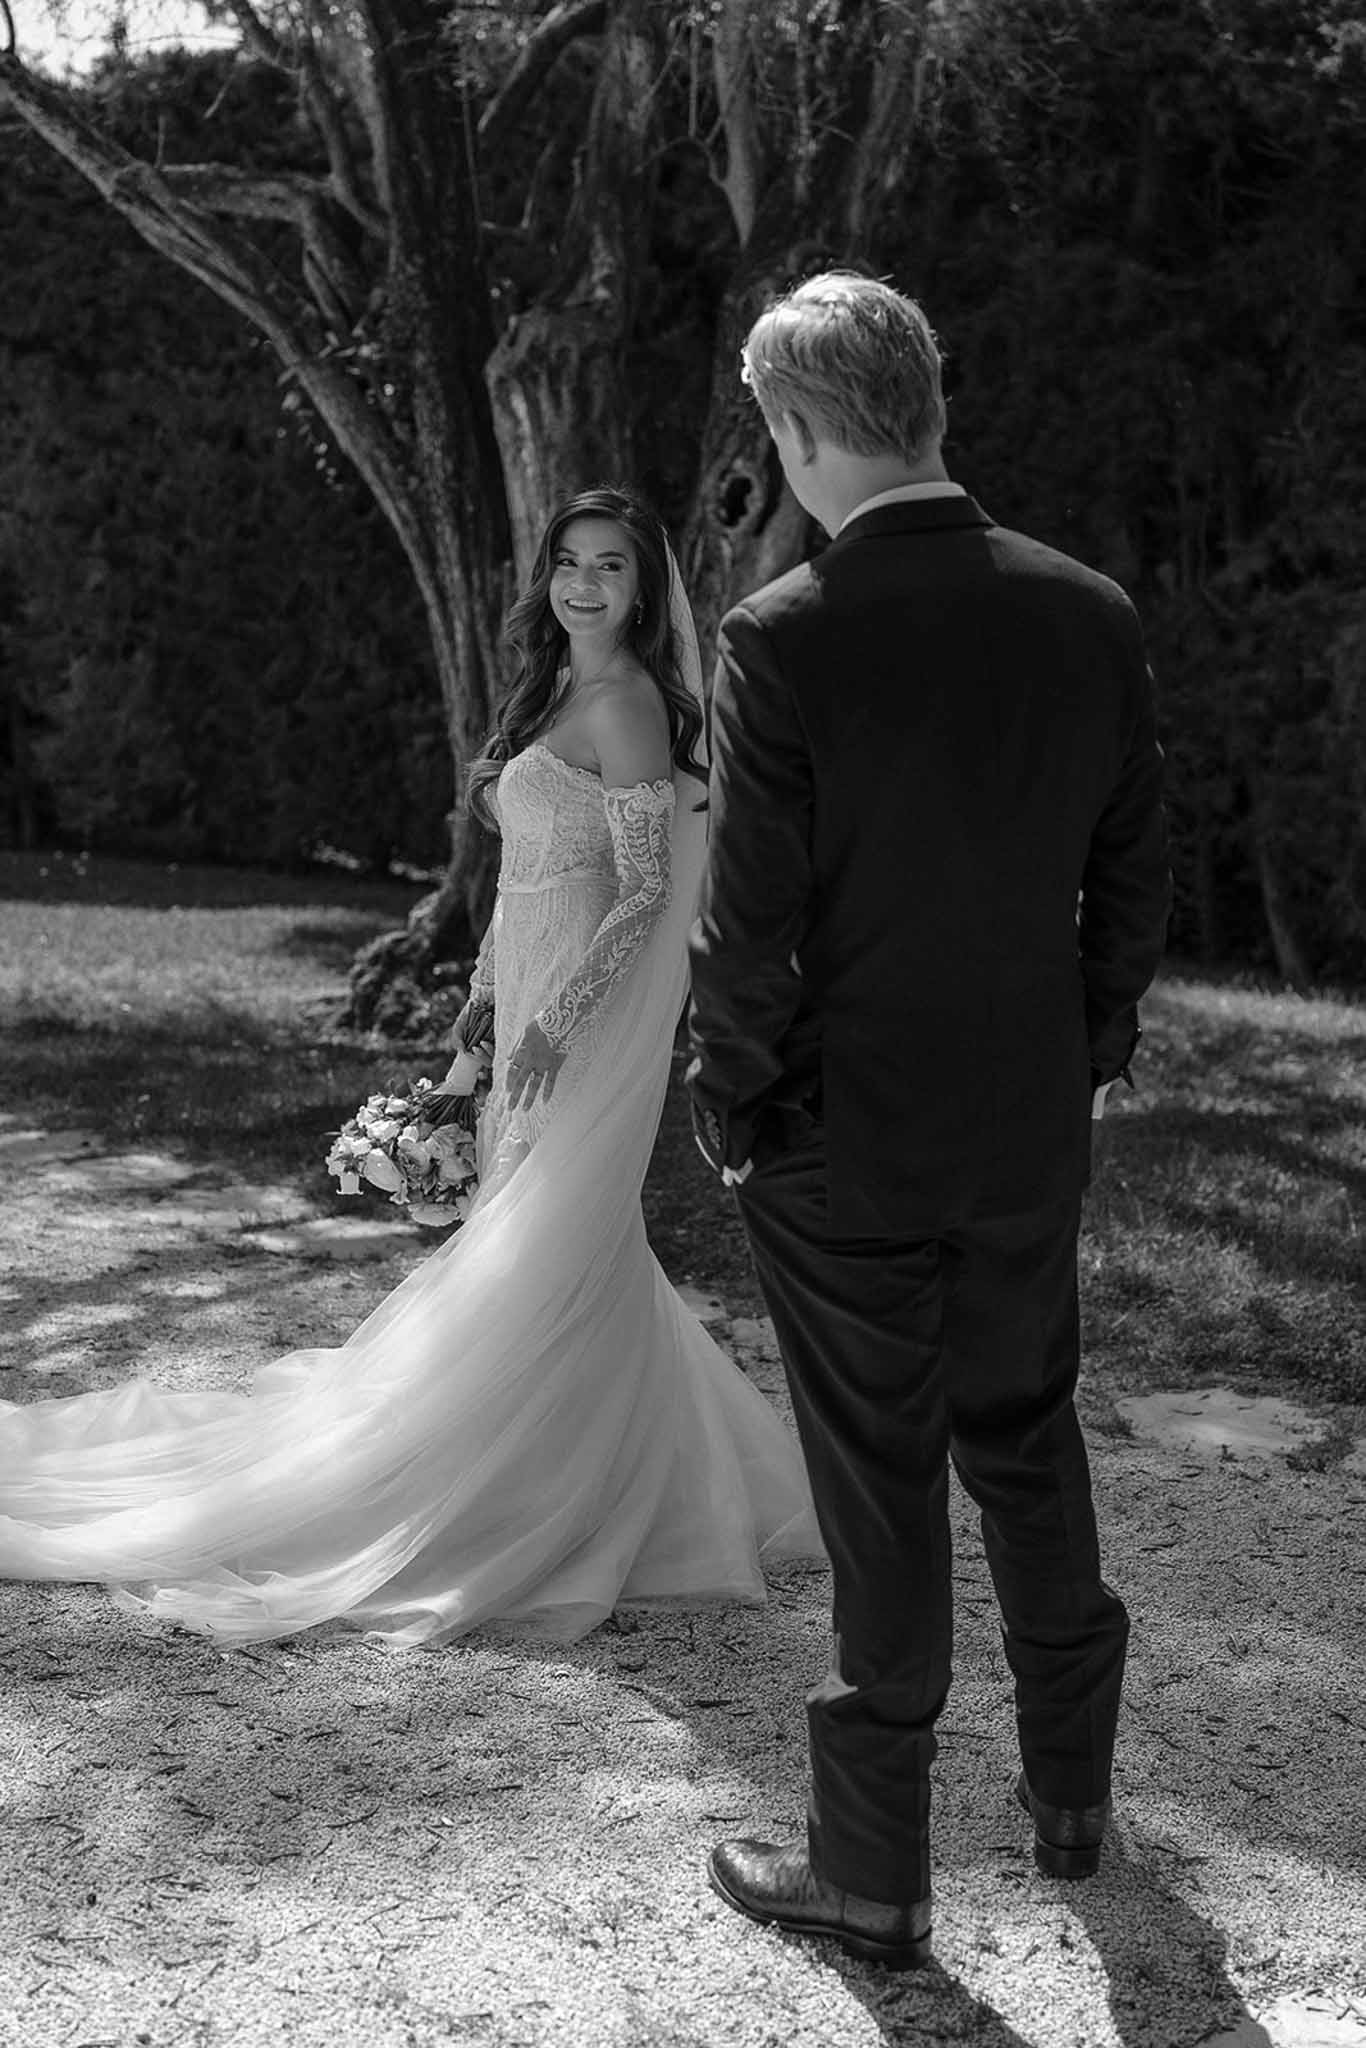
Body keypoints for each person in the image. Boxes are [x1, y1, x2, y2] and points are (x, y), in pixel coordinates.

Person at [0, 487, 821, 1645]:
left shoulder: (630, 703)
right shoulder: (554, 690)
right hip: (525, 1000)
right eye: (571, 562)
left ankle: (543, 1488)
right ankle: (579, 1467)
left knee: (555, 1240)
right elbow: (528, 880)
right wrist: (478, 1023)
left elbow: (641, 892)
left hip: (577, 1031)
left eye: (611, 569)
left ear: (643, 593)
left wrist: (555, 1024)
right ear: (548, 576)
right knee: (546, 1243)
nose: (585, 584)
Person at [687, 274, 1171, 1970]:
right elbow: (1131, 879)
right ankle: (1069, 1804)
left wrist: (736, 1112)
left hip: (843, 1136)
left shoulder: (783, 632)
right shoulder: (1087, 609)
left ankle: (873, 1872)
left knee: (882, 1480)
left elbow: (744, 931)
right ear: (931, 408)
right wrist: (1086, 1052)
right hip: (1024, 1122)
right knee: (1024, 1436)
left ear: (805, 432)